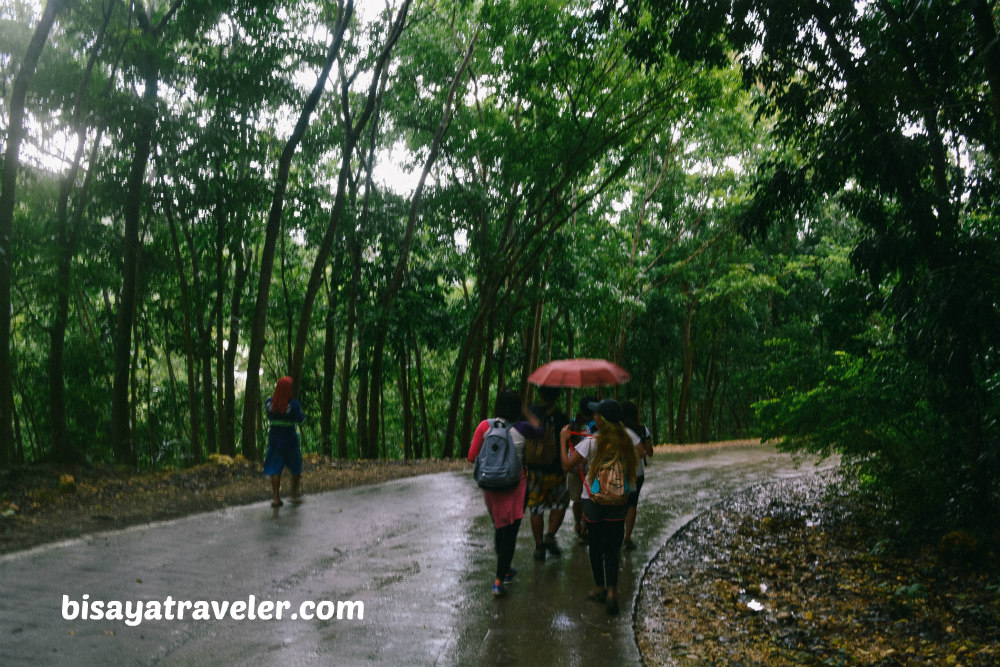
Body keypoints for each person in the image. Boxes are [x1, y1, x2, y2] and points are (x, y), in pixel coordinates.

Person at [560, 398, 639, 615]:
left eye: (596, 415)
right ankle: (613, 592)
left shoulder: (591, 442)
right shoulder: (627, 441)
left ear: (601, 419)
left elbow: (567, 466)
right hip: (618, 502)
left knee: (595, 546)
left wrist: (563, 440)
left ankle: (599, 588)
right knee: (612, 549)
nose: (593, 417)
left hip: (592, 501)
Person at [467, 389, 542, 597]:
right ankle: (499, 581)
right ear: (518, 407)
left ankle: (505, 570)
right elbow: (540, 430)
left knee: (500, 529)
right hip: (515, 488)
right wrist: (525, 412)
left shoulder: (485, 426)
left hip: (490, 489)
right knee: (510, 533)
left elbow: (472, 457)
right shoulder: (523, 428)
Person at [525, 386, 571, 561]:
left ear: (540, 394)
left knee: (536, 508)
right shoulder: (561, 417)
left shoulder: (530, 413)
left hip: (534, 471)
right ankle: (550, 535)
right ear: (557, 395)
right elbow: (570, 440)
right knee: (560, 504)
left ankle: (539, 547)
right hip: (556, 471)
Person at [262, 376, 306, 508]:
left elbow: (270, 415)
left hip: (274, 441)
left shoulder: (269, 403)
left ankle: (276, 499)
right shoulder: (293, 405)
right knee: (296, 467)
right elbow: (301, 419)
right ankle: (293, 493)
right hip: (290, 441)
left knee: (275, 469)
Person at [621, 400, 653, 550]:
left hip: (618, 472)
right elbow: (649, 453)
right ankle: (627, 538)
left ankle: (616, 535)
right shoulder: (642, 429)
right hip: (637, 473)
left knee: (618, 503)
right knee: (632, 504)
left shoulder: (617, 429)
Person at [567, 396, 597, 544]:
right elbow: (570, 441)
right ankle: (581, 525)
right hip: (579, 466)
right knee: (581, 498)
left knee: (580, 498)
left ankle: (582, 526)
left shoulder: (595, 424)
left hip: (581, 466)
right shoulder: (576, 423)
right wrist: (576, 426)